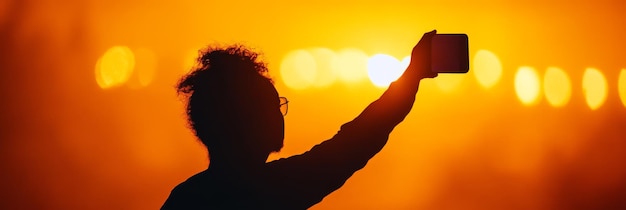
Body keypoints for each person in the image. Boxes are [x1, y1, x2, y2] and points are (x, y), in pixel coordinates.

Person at [161, 30, 439, 209]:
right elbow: (357, 142)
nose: (278, 115)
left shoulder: (185, 199)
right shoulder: (271, 189)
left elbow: (355, 142)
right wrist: (411, 77)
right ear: (242, 121)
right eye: (270, 106)